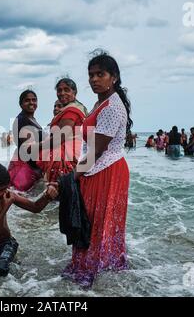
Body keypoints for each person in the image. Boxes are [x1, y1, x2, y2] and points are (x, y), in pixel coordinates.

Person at [64, 51, 132, 288]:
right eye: (91, 75)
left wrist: (73, 175)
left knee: (95, 221)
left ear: (113, 77)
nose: (94, 79)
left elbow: (97, 150)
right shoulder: (100, 102)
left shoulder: (112, 106)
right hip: (96, 168)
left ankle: (93, 270)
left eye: (100, 74)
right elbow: (90, 148)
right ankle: (91, 267)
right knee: (90, 220)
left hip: (107, 170)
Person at [0, 160, 58, 276]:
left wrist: (47, 196)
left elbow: (35, 207)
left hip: (5, 243)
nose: (5, 192)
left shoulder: (6, 195)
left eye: (6, 188)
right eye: (1, 190)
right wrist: (6, 206)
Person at [37, 78, 88, 182]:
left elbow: (58, 139)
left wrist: (34, 147)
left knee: (60, 190)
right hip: (76, 154)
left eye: (66, 89)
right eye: (59, 90)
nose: (62, 93)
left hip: (67, 157)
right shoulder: (75, 107)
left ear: (74, 92)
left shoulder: (71, 111)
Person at [8, 90, 45, 191]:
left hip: (32, 168)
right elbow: (27, 148)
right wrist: (50, 142)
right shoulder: (22, 120)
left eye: (34, 100)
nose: (31, 103)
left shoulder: (31, 119)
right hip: (26, 168)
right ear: (21, 104)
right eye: (27, 100)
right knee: (25, 200)